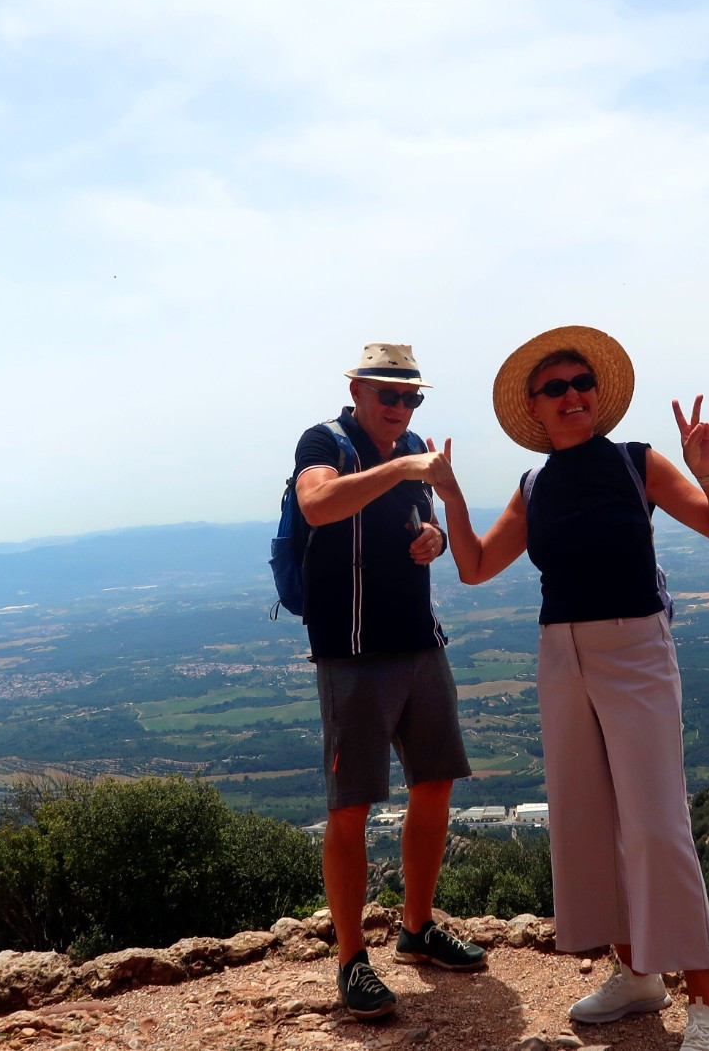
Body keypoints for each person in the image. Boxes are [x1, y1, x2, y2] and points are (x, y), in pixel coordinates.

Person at [430, 326, 709, 1051]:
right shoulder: (533, 486)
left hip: (635, 646)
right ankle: (637, 974)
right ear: (536, 411)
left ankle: (705, 1009)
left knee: (655, 824)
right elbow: (476, 566)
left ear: (598, 397)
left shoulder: (638, 464)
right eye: (557, 388)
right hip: (560, 652)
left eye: (582, 384)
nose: (573, 395)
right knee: (586, 819)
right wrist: (450, 496)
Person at [289, 342, 488, 1019]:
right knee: (351, 807)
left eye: (410, 398)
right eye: (389, 396)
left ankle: (416, 927)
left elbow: (416, 522)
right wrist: (406, 463)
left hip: (419, 644)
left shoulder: (415, 450)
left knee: (434, 784)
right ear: (357, 390)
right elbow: (317, 506)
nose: (401, 408)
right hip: (351, 654)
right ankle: (351, 960)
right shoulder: (327, 440)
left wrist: (430, 535)